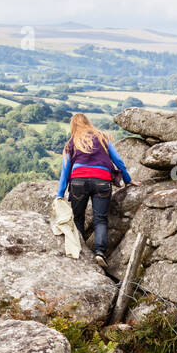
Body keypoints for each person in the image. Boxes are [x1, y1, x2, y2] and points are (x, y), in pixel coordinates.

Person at [56, 113, 137, 267]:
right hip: (102, 181)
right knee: (100, 219)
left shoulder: (71, 143)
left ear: (73, 126)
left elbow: (65, 170)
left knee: (78, 218)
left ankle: (81, 253)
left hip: (78, 182)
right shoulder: (101, 138)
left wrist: (59, 194)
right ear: (88, 123)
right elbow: (118, 160)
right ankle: (100, 252)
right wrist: (127, 179)